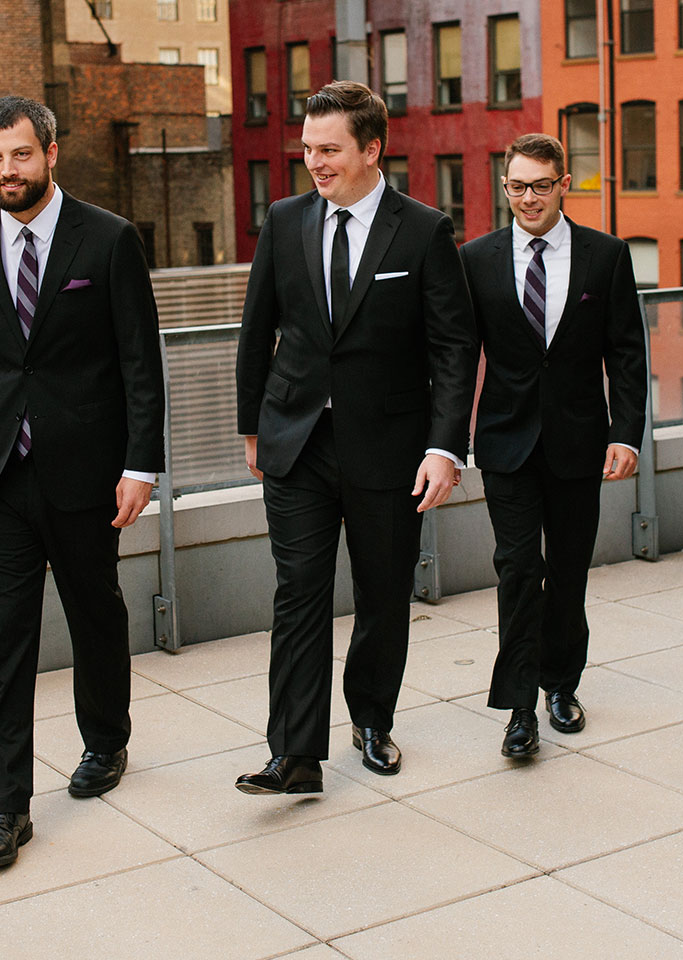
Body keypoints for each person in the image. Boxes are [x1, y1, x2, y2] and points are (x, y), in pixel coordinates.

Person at [0, 96, 165, 868]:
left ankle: (105, 742)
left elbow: (140, 361)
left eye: (20, 156)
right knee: (4, 642)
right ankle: (3, 807)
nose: (7, 172)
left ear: (51, 153)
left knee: (95, 613)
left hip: (88, 473)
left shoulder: (108, 239)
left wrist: (140, 465)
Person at [234, 81, 478, 795]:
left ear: (372, 149)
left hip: (392, 450)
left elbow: (453, 350)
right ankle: (295, 754)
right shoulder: (283, 221)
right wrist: (253, 425)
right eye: (307, 148)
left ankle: (372, 719)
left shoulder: (424, 230)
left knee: (381, 593)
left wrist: (443, 447)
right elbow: (256, 332)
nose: (314, 161)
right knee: (298, 593)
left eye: (330, 148)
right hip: (297, 443)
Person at [462, 133, 646, 757]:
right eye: (517, 186)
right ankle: (518, 709)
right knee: (517, 569)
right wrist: (445, 443)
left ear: (565, 184)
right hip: (505, 443)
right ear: (504, 187)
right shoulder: (476, 259)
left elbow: (626, 352)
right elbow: (459, 359)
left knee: (567, 572)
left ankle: (561, 683)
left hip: (579, 441)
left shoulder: (606, 255)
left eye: (541, 185)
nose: (528, 197)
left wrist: (627, 433)